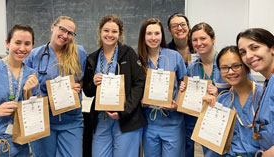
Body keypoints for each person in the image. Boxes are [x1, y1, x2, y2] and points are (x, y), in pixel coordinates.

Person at [82, 14, 147, 157]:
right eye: (106, 30)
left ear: (120, 34)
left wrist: (124, 111)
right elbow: (87, 91)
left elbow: (139, 83)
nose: (109, 35)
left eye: (114, 31)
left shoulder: (128, 53)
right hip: (101, 119)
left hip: (126, 119)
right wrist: (93, 83)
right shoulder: (92, 58)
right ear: (100, 31)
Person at [24, 16, 87, 156]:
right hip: (43, 120)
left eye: (70, 33)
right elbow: (23, 87)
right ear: (53, 27)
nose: (65, 35)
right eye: (62, 29)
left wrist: (79, 85)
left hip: (72, 120)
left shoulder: (79, 53)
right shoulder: (35, 55)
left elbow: (85, 79)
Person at [138, 17, 187, 157]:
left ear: (162, 35)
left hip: (173, 123)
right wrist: (141, 101)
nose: (153, 38)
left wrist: (177, 104)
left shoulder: (174, 56)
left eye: (157, 33)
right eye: (149, 34)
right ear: (143, 36)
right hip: (149, 124)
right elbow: (134, 89)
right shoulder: (138, 60)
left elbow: (184, 83)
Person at [203, 45, 263, 156]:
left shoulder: (263, 95)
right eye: (224, 68)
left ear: (246, 66)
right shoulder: (222, 101)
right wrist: (208, 111)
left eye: (236, 66)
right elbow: (214, 144)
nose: (230, 72)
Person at [183, 22, 229, 156]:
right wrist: (184, 88)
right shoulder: (192, 67)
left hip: (223, 121)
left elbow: (245, 89)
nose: (199, 43)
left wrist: (219, 93)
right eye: (195, 40)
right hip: (204, 121)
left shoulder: (226, 61)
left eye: (203, 38)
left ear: (213, 38)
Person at [0, 24, 38, 156]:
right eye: (17, 43)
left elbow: (33, 114)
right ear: (7, 43)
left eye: (27, 44)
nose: (22, 48)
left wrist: (28, 92)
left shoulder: (31, 74)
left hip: (21, 145)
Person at [237, 28, 274, 157]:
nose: (248, 56)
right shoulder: (268, 82)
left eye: (254, 47)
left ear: (272, 49)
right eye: (243, 52)